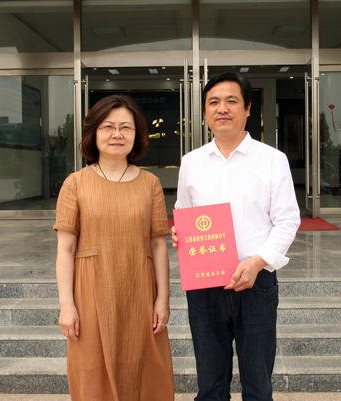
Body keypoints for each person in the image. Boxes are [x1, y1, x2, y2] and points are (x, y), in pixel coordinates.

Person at [172, 72, 300, 401]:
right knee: (210, 385)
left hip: (256, 283)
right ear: (205, 111)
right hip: (204, 286)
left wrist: (257, 263)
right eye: (213, 102)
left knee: (257, 385)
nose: (222, 108)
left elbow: (287, 220)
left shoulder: (272, 160)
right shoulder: (191, 163)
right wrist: (180, 233)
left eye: (231, 101)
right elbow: (183, 211)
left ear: (247, 108)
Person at [54, 94, 174, 401]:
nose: (117, 134)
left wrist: (163, 298)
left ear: (137, 134)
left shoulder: (150, 183)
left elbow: (158, 244)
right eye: (108, 126)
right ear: (94, 133)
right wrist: (67, 305)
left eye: (126, 127)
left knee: (145, 370)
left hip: (139, 289)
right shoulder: (75, 183)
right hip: (91, 291)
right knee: (93, 371)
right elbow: (65, 249)